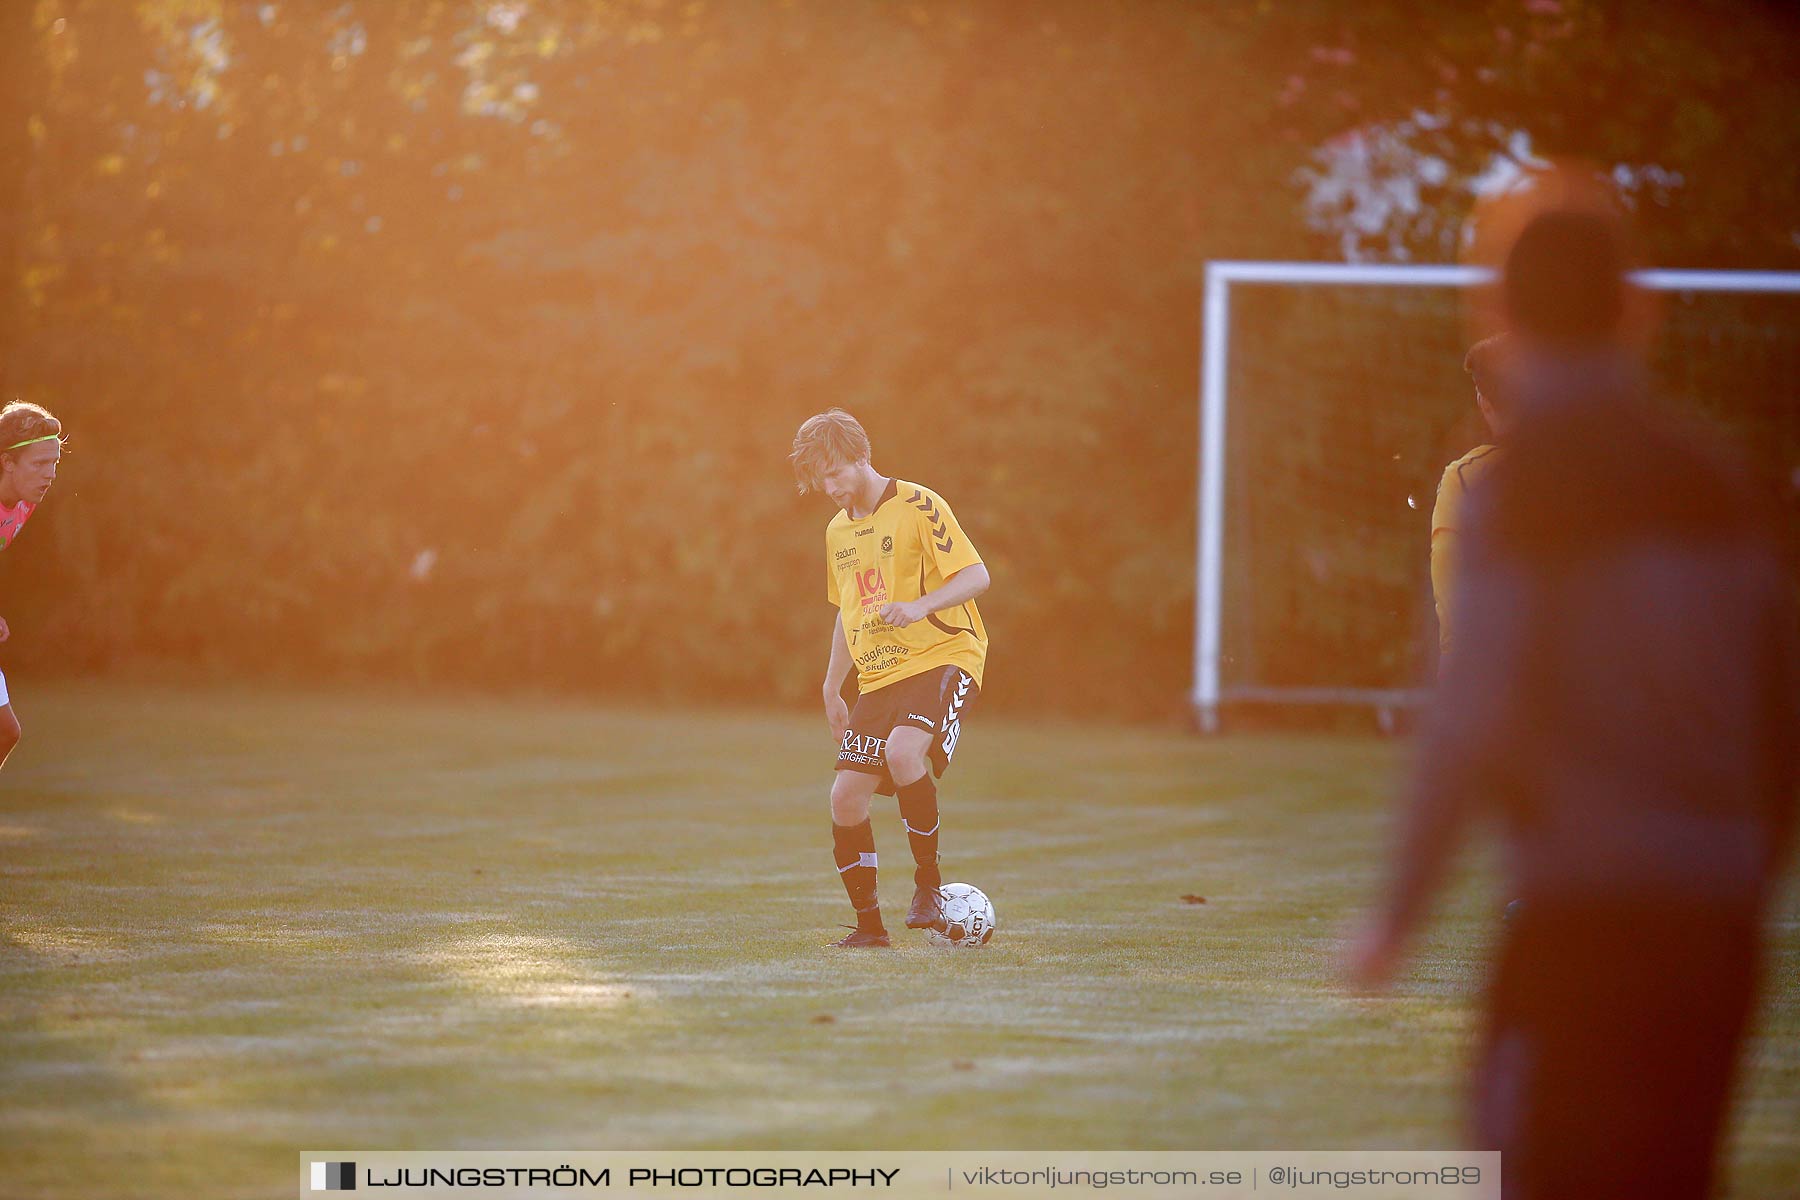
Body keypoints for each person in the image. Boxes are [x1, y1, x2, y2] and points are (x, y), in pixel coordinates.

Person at [1346, 206, 1797, 1199]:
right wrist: (1740, 877)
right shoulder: (1725, 478)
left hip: (1587, 912)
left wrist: (1396, 916)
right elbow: (1779, 706)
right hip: (1717, 925)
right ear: (1641, 312)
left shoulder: (1522, 488)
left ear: (1503, 307)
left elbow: (1469, 709)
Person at [791, 409, 991, 948]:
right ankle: (870, 929)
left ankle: (929, 887)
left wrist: (920, 605)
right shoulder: (838, 531)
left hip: (944, 653)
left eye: (835, 473)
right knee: (845, 797)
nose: (829, 487)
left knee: (905, 754)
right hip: (879, 676)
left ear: (862, 455)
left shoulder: (918, 504)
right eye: (819, 479)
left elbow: (977, 575)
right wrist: (833, 686)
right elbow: (847, 611)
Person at [1431, 333, 1515, 664]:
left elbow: (1453, 595)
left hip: (1486, 680)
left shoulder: (1464, 480)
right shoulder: (1590, 468)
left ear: (1483, 400)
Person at [0, 401, 65, 771]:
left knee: (5, 732)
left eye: (54, 462)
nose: (50, 474)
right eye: (40, 464)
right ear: (8, 462)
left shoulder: (24, 504)